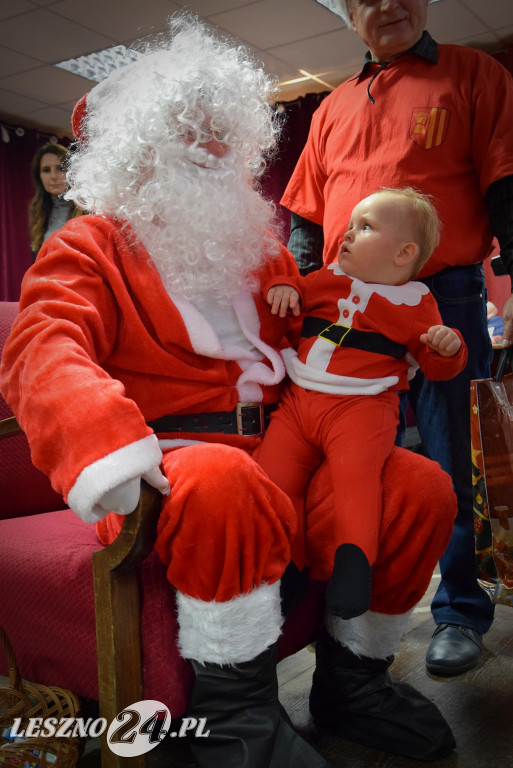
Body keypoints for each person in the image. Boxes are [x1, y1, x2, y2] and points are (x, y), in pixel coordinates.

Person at [0, 14, 457, 766]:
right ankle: (236, 719)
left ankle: (355, 682)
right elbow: (42, 347)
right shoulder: (89, 244)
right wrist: (106, 447)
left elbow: (329, 328)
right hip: (173, 461)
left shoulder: (260, 250)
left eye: (224, 130)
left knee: (418, 485)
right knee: (222, 479)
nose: (214, 146)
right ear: (138, 148)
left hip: (285, 446)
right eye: (191, 128)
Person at [281, 0, 513, 678]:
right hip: (340, 305)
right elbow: (304, 214)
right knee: (334, 447)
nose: (387, 4)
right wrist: (294, 298)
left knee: (448, 458)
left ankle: (460, 609)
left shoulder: (474, 73)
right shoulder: (330, 107)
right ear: (347, 12)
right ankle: (336, 600)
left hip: (441, 296)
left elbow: (505, 183)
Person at [257, 187, 467, 621]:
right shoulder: (322, 280)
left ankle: (354, 568)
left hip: (362, 409)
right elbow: (290, 307)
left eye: (365, 227)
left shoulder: (417, 303)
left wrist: (447, 348)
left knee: (357, 480)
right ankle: (286, 570)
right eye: (349, 225)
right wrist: (281, 287)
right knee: (273, 480)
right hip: (299, 402)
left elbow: (436, 366)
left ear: (403, 254)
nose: (347, 235)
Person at [28, 142, 81, 256]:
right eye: (46, 170)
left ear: (71, 172)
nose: (53, 176)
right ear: (39, 176)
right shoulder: (38, 212)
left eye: (61, 169)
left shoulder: (89, 208)